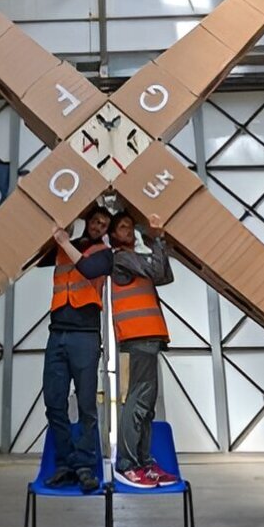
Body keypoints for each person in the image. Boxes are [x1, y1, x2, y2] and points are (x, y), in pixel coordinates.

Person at [40, 205, 114, 493]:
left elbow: (88, 268)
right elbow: (34, 258)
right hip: (57, 333)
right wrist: (61, 227)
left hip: (85, 336)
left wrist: (63, 241)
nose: (98, 226)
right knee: (54, 403)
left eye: (104, 224)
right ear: (86, 220)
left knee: (86, 405)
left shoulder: (104, 255)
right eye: (95, 220)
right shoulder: (62, 246)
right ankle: (65, 464)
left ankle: (84, 466)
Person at [108, 211, 178, 489]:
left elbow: (165, 276)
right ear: (113, 235)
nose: (128, 230)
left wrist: (153, 242)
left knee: (146, 406)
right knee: (137, 402)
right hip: (137, 337)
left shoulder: (137, 258)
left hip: (148, 337)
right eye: (122, 227)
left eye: (129, 226)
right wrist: (158, 238)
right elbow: (157, 270)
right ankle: (127, 464)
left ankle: (143, 461)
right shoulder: (122, 258)